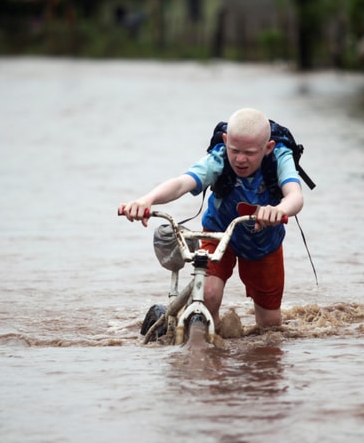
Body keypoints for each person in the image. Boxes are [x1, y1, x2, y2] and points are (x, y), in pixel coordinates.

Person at [118, 108, 304, 331]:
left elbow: (295, 196)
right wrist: (147, 200)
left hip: (264, 243)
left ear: (268, 147)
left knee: (270, 326)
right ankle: (211, 340)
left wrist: (278, 210)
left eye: (250, 153)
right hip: (219, 234)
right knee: (208, 294)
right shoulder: (218, 158)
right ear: (225, 141)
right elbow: (182, 183)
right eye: (234, 150)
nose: (240, 159)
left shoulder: (280, 157)